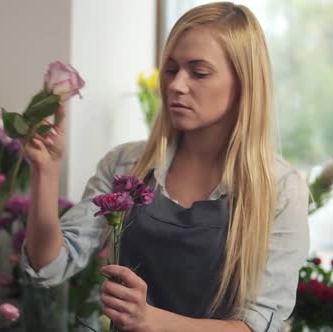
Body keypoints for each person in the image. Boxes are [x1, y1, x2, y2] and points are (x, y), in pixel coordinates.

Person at [21, 2, 309, 331]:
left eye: (198, 72)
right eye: (171, 69)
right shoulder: (125, 165)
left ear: (244, 83)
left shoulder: (280, 189)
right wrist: (46, 172)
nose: (176, 85)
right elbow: (49, 265)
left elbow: (258, 325)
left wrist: (150, 320)